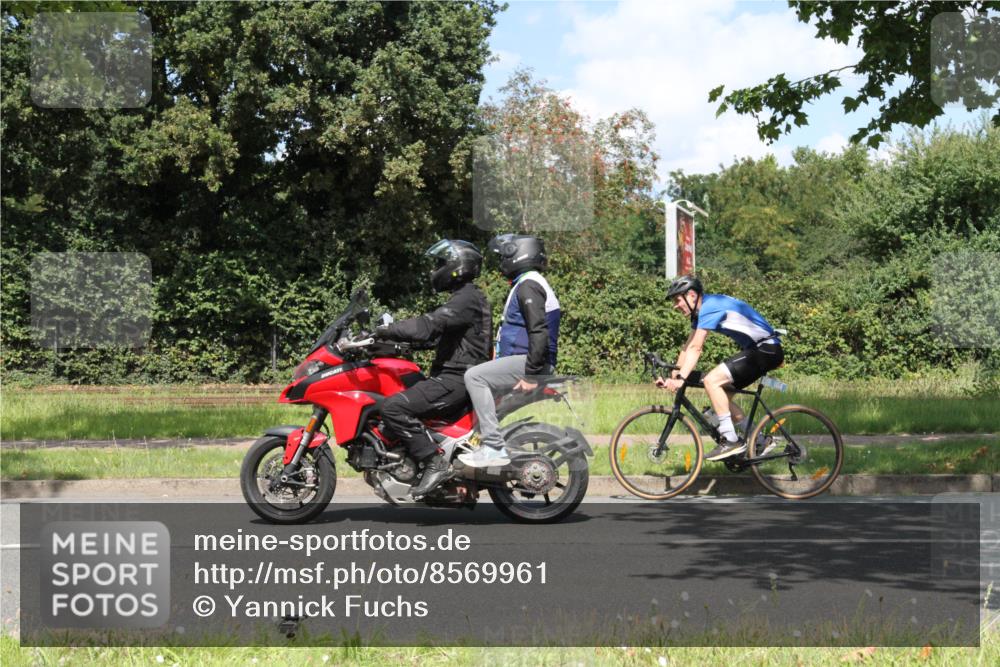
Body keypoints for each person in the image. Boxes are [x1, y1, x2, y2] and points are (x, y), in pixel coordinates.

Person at [374, 239, 492, 497]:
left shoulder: (466, 299)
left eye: (440, 263)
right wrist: (386, 345)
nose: (434, 269)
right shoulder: (465, 298)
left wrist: (386, 330)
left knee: (393, 407)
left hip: (457, 379)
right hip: (455, 376)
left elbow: (429, 325)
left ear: (456, 265)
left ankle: (434, 461)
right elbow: (433, 338)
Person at [460, 233, 561, 468]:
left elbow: (539, 331)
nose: (500, 263)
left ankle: (493, 447)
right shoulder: (529, 283)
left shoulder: (529, 286)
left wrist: (531, 374)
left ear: (518, 254)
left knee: (474, 376)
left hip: (529, 363)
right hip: (524, 360)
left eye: (503, 256)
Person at [657, 275, 784, 461]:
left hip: (765, 349)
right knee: (721, 399)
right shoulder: (702, 311)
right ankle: (761, 441)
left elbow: (696, 348)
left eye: (677, 300)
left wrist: (680, 379)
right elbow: (687, 346)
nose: (676, 305)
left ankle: (731, 441)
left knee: (711, 380)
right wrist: (674, 374)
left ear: (691, 295)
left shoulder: (709, 307)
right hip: (759, 350)